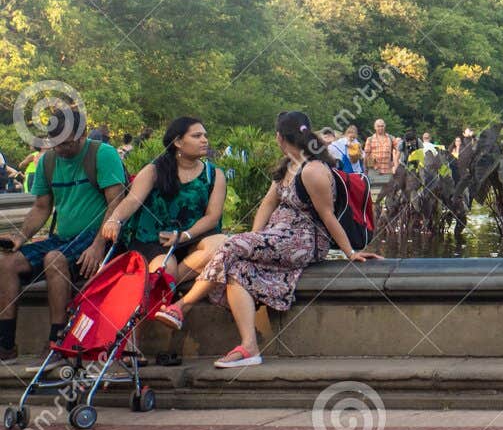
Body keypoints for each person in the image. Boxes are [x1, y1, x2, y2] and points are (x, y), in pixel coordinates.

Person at [154, 111, 382, 368]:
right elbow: (267, 203)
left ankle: (182, 306)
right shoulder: (289, 166)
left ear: (279, 137)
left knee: (230, 244)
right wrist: (254, 238)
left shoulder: (313, 170)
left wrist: (350, 253)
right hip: (276, 238)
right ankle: (249, 346)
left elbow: (328, 217)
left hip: (302, 241)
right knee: (237, 268)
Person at [0, 109, 127, 362]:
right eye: (54, 143)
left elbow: (116, 203)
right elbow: (41, 207)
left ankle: (57, 339)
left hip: (94, 234)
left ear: (81, 136)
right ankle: (5, 343)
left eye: (66, 143)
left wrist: (98, 245)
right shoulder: (48, 161)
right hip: (64, 237)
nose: (60, 149)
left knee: (54, 259)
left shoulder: (102, 154)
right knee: (6, 261)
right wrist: (21, 237)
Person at [98, 117, 228, 363]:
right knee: (163, 267)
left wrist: (185, 235)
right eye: (197, 136)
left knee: (222, 245)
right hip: (153, 238)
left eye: (204, 135)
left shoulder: (214, 174)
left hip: (192, 238)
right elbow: (132, 201)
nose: (204, 140)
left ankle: (168, 297)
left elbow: (213, 217)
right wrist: (114, 220)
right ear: (178, 141)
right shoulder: (155, 169)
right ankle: (132, 341)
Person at [364, 118, 401, 187]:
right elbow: (366, 155)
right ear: (375, 127)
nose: (380, 128)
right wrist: (365, 169)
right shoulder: (370, 139)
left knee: (388, 192)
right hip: (374, 170)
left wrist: (396, 161)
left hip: (388, 170)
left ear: (385, 126)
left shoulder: (391, 138)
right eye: (378, 126)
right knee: (373, 192)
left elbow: (399, 149)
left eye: (382, 126)